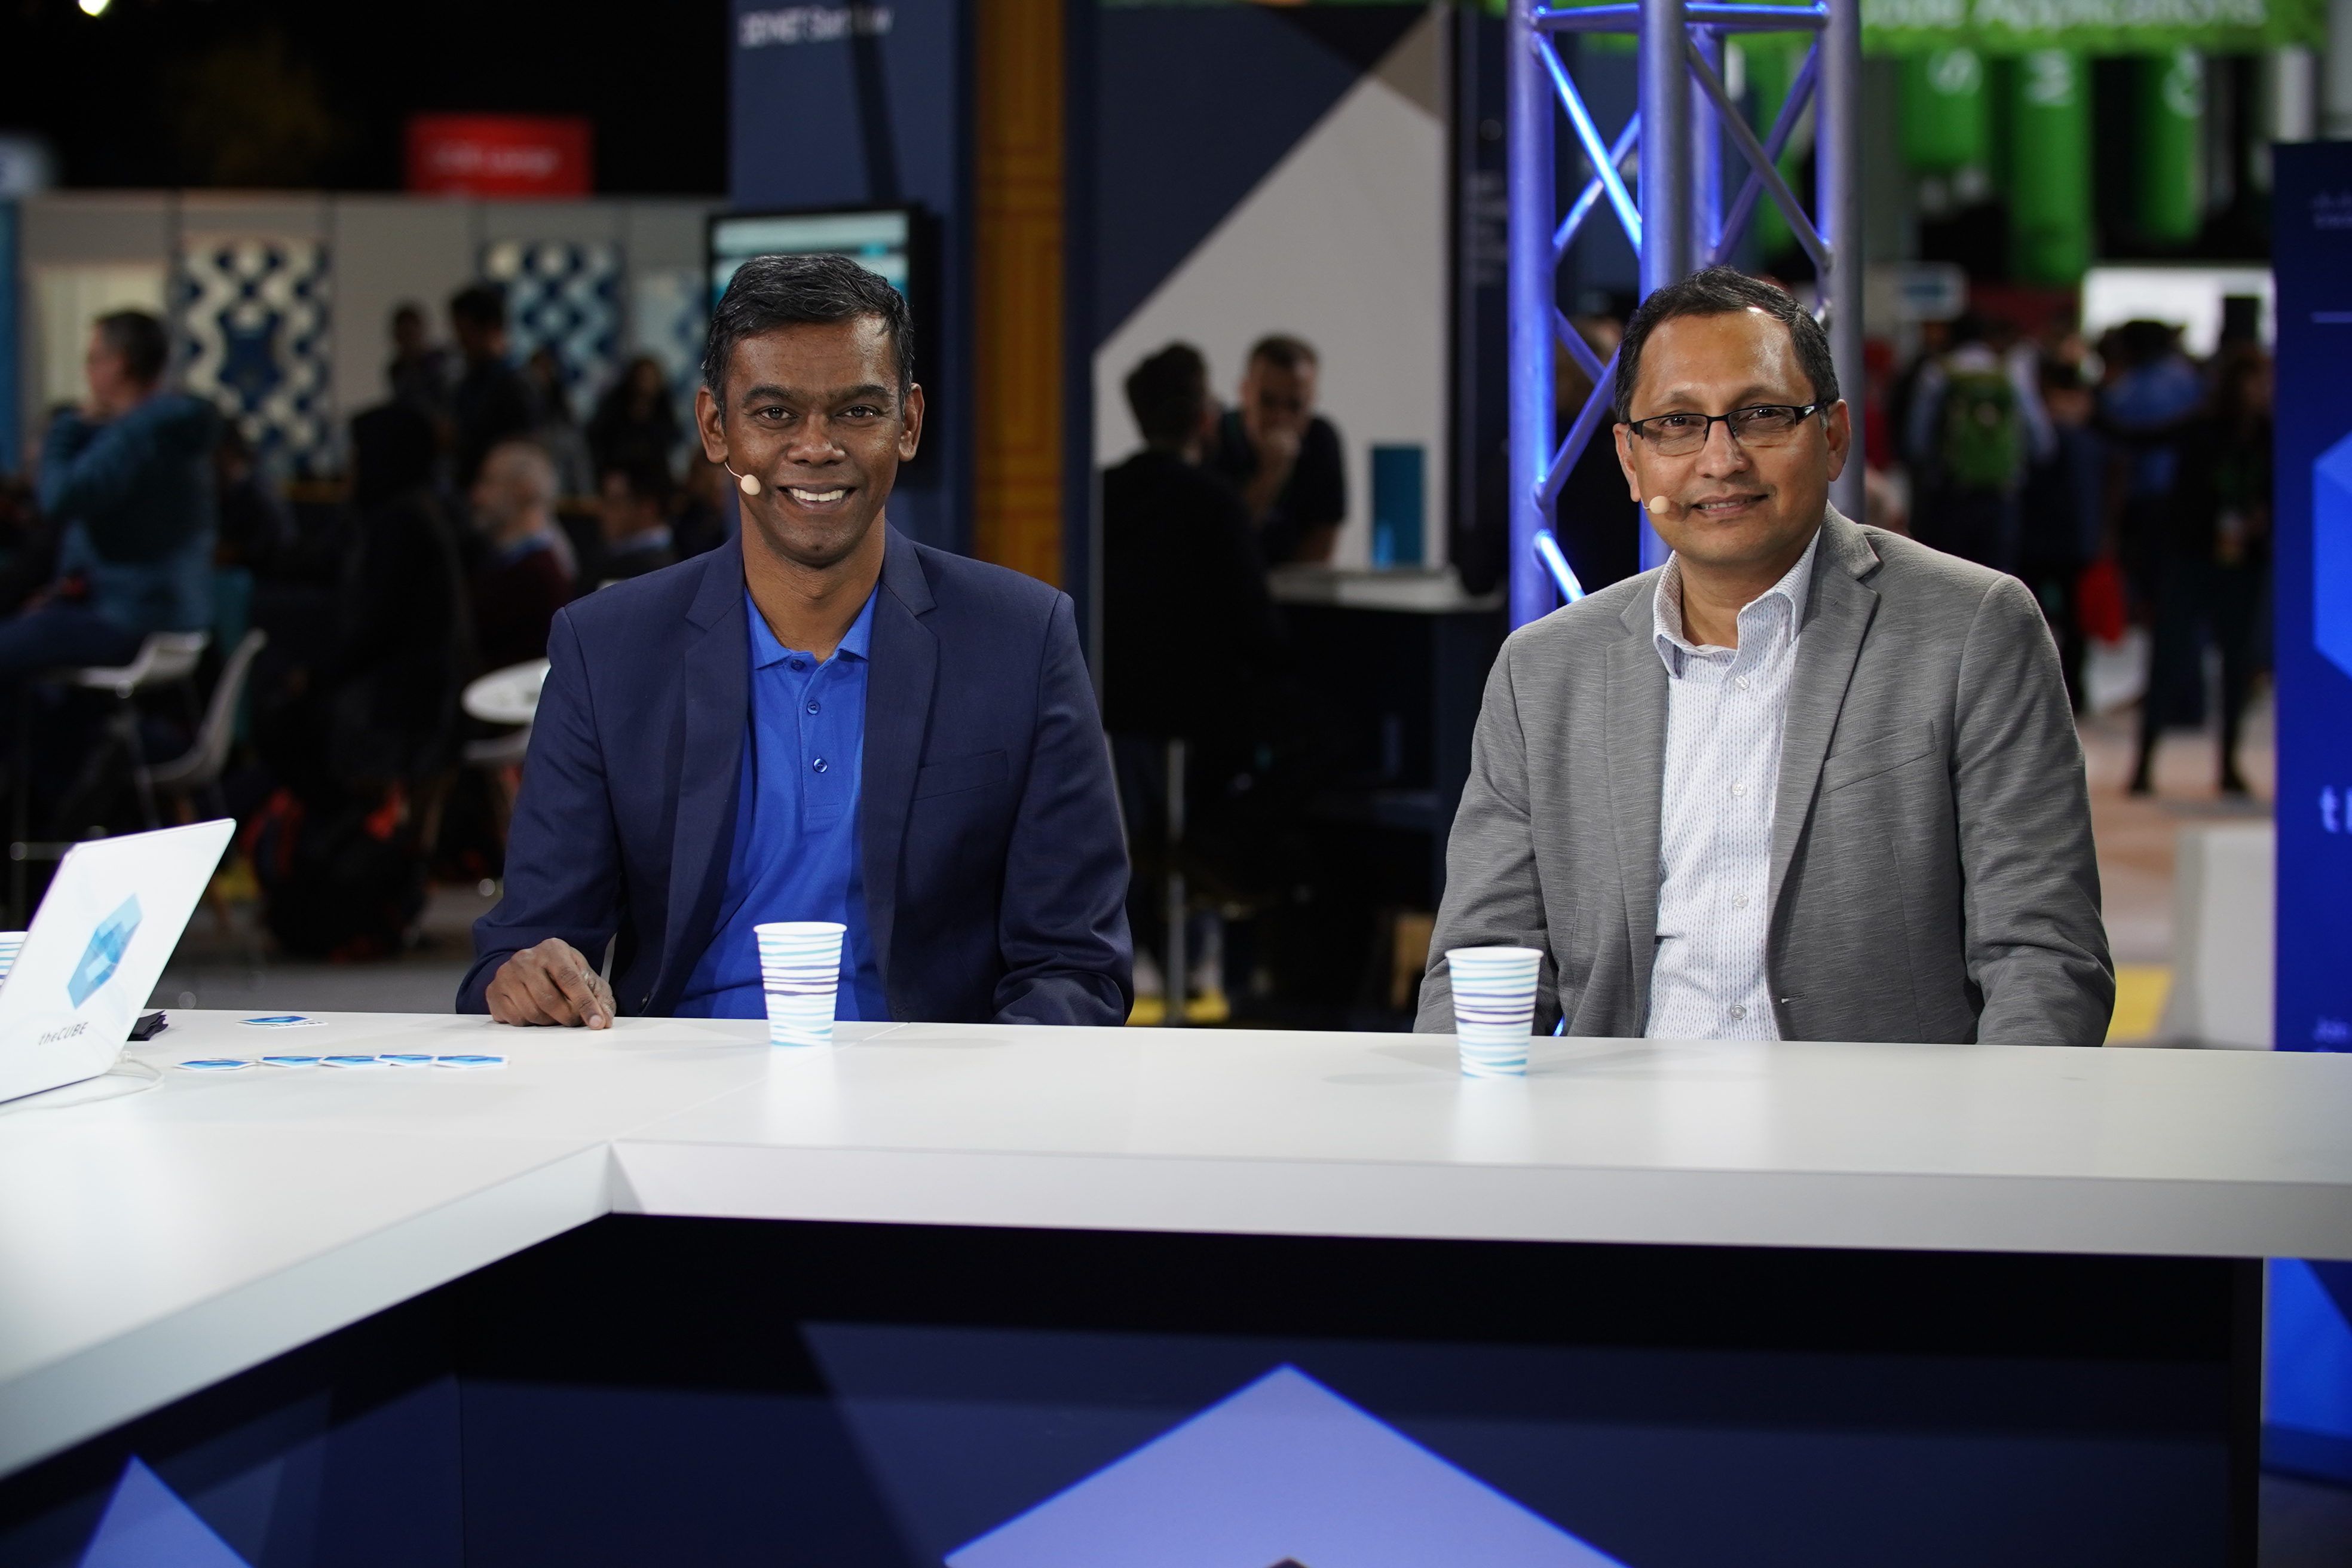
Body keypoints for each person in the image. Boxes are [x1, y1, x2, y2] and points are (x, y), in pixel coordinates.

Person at [1416, 267, 2111, 1048]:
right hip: (1619, 1117)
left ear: (1834, 437)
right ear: (1631, 460)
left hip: (1879, 1120)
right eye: (1677, 423)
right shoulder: (1545, 670)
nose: (1721, 459)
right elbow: (1483, 955)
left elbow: (2043, 955)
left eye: (1762, 415)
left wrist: (1996, 1126)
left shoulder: (1972, 629)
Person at [460, 253, 1130, 1027]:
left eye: (858, 411)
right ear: (717, 429)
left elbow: (1076, 966)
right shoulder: (605, 649)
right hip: (676, 1084)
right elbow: (521, 949)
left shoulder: (1022, 640)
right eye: (776, 413)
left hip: (931, 1088)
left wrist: (969, 1094)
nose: (817, 447)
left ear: (908, 424)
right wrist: (528, 978)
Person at [1102, 343, 1289, 1012]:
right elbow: (1257, 627)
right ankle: (1210, 964)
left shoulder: (1101, 493)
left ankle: (1161, 962)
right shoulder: (1214, 500)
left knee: (1143, 835)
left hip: (1117, 705)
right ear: (1205, 416)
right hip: (1205, 714)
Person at [2, 310, 219, 679]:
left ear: (118, 364)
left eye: (92, 360)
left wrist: (66, 428)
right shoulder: (171, 432)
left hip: (128, 620)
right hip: (171, 618)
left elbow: (59, 498)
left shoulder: (137, 435)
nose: (87, 373)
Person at [2129, 346, 2273, 798]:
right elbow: (2145, 439)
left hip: (2245, 563)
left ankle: (2228, 763)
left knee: (2237, 665)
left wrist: (2264, 519)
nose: (2263, 390)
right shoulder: (2202, 429)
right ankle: (2144, 763)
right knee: (2168, 660)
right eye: (2255, 380)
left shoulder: (2271, 436)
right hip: (2192, 558)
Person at [1902, 313, 2053, 572]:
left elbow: (1917, 440)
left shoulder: (1938, 373)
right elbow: (2042, 440)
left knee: (1953, 575)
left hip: (1953, 493)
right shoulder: (2009, 372)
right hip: (2001, 493)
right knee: (1998, 576)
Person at [1206, 335, 1346, 565]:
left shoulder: (1322, 440)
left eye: (1295, 406)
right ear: (1245, 393)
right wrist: (1271, 474)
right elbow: (1216, 545)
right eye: (1267, 402)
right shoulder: (1214, 439)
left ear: (1312, 400)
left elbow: (1324, 540)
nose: (1280, 418)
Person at [467, 440, 575, 673]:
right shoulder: (510, 563)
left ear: (523, 490)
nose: (477, 496)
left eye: (488, 482)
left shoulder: (538, 574)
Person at [448, 284, 539, 492]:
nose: (461, 344)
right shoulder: (469, 383)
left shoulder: (517, 387)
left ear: (491, 328)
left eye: (466, 334)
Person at [587, 354, 683, 477]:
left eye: (651, 378)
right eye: (643, 377)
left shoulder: (665, 415)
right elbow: (598, 444)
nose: (646, 384)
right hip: (615, 475)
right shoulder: (613, 412)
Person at [593, 457, 678, 584]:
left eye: (614, 504)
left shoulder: (637, 572)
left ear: (647, 510)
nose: (601, 512)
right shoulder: (679, 553)